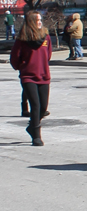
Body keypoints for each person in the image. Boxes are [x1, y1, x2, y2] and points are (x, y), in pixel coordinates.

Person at [10, 11, 52, 146]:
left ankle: (31, 126)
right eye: (37, 20)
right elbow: (14, 59)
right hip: (28, 76)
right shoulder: (22, 39)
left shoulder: (46, 37)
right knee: (35, 105)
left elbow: (48, 55)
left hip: (44, 76)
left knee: (43, 107)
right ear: (31, 22)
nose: (40, 22)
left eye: (41, 20)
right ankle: (36, 135)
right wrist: (22, 67)